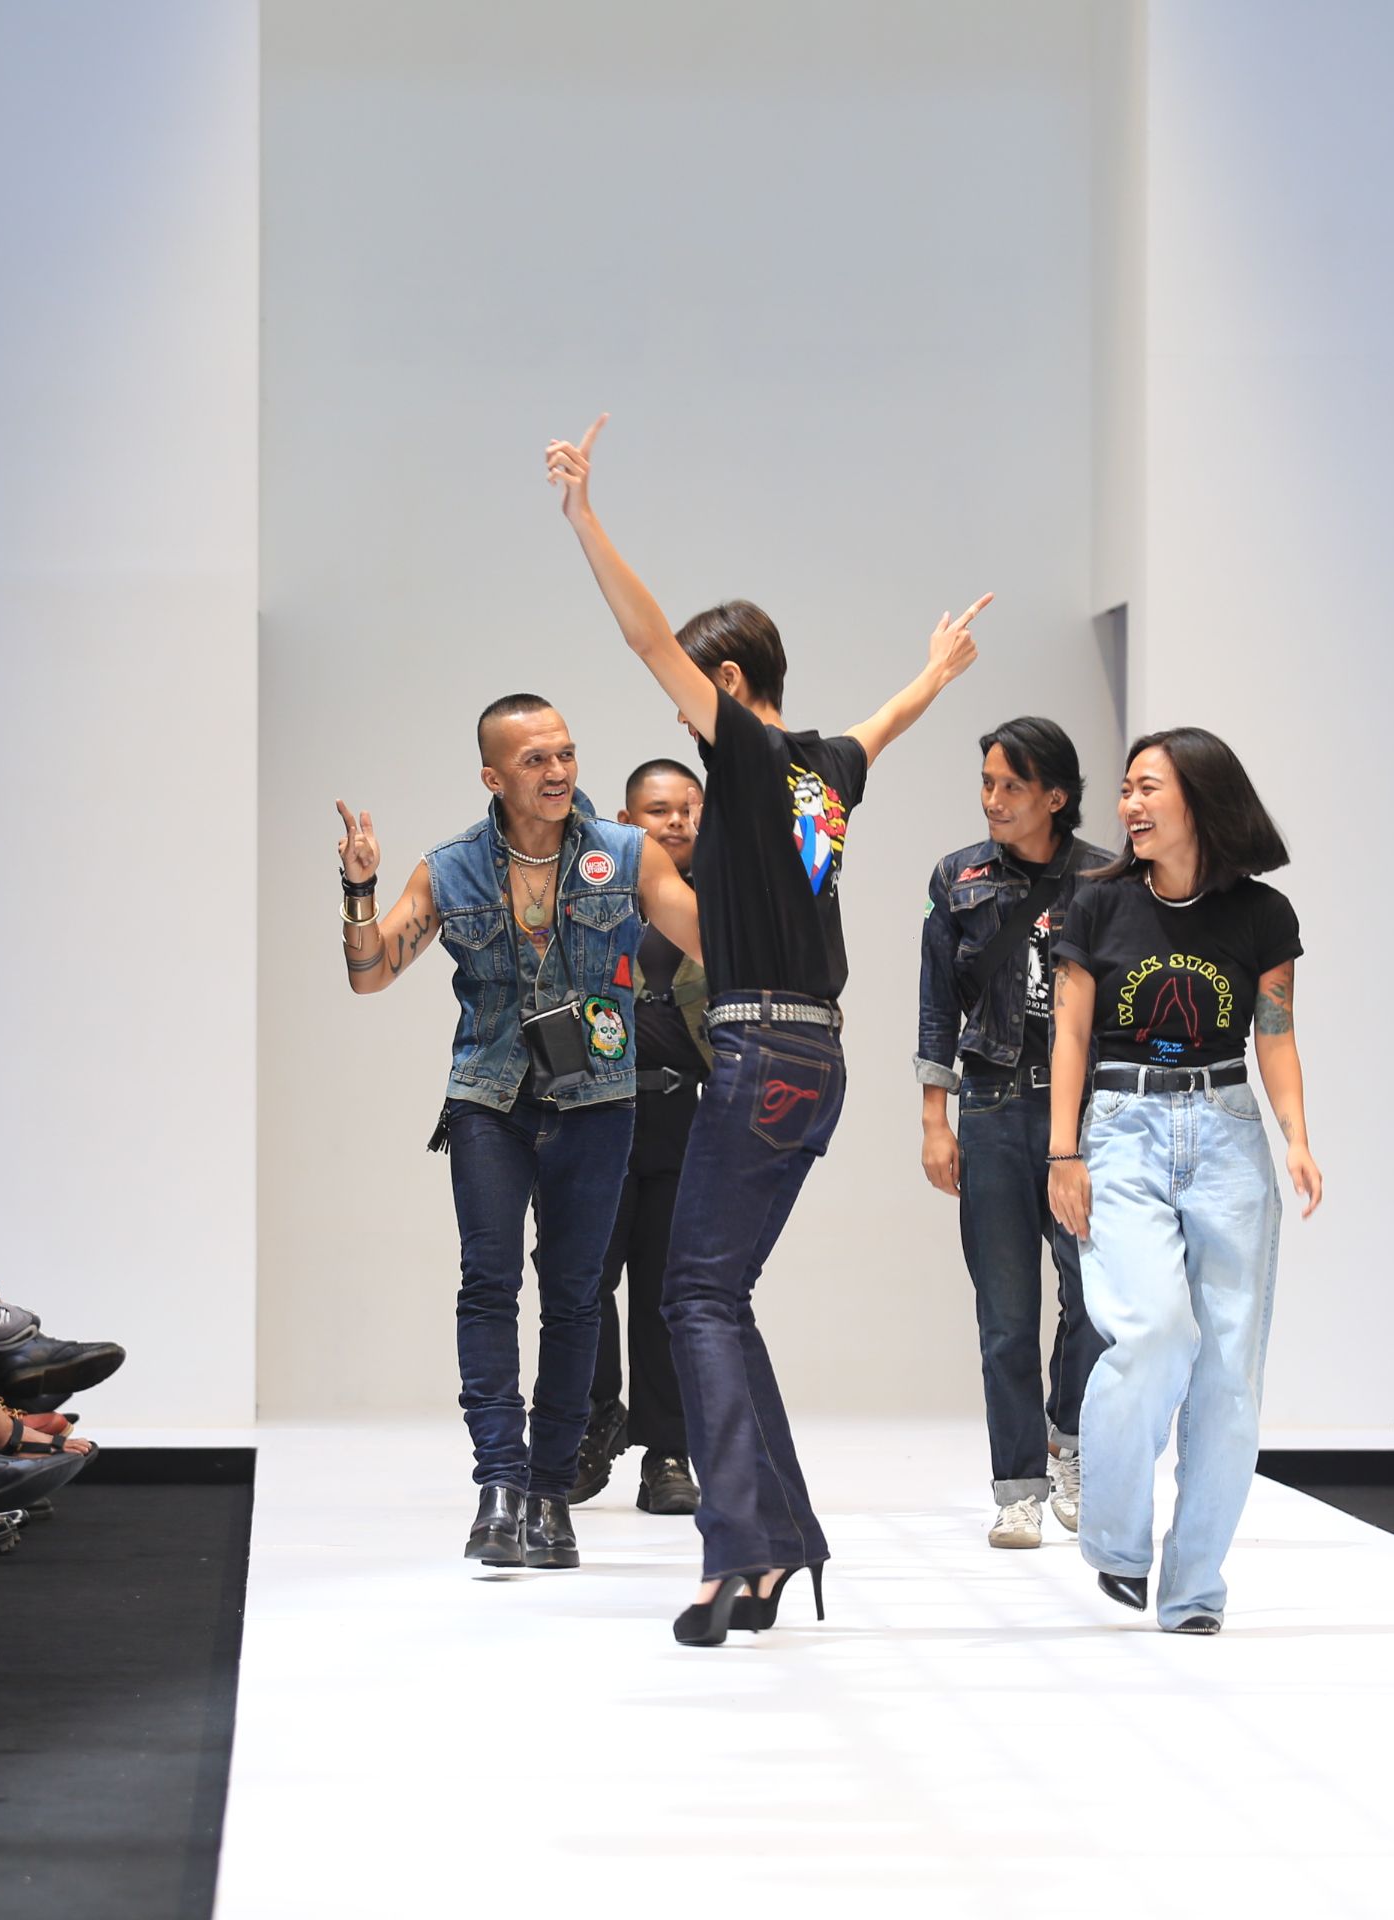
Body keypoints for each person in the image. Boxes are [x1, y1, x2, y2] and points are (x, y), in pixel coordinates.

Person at [545, 412, 985, 1644]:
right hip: (814, 1055)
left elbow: (645, 637)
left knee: (694, 1296)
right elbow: (886, 722)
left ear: (730, 686)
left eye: (698, 696)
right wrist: (937, 670)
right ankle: (782, 1541)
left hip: (751, 1052)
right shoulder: (824, 770)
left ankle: (739, 1550)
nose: (686, 717)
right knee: (716, 1296)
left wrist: (584, 516)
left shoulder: (745, 754)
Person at [336, 693, 700, 1571]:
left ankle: (548, 1493)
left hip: (598, 1100)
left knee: (574, 1298)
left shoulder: (626, 854)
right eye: (535, 759)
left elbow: (708, 935)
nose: (558, 771)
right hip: (489, 1099)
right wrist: (359, 890)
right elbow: (370, 974)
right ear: (493, 777)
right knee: (488, 1287)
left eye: (566, 753)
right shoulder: (452, 869)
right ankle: (498, 1485)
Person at [1045, 729, 1321, 1633]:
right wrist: (1063, 1154)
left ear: (1199, 798)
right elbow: (1070, 1036)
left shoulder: (1263, 914)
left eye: (1147, 788)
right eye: (1125, 788)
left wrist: (1297, 1139)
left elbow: (1274, 1033)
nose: (1129, 805)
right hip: (1121, 1126)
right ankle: (1118, 1541)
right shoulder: (1096, 903)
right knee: (1152, 1333)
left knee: (1230, 1376)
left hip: (1229, 1128)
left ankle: (1195, 1586)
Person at [916, 717, 1110, 1549]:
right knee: (1005, 1315)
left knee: (1095, 1301)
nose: (993, 800)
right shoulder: (957, 876)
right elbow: (936, 1001)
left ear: (1055, 797)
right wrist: (935, 1118)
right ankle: (1018, 1487)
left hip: (1088, 1116)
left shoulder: (1107, 878)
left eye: (1012, 787)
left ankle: (1071, 1442)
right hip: (992, 1107)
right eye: (987, 783)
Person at [574, 759, 711, 1517]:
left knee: (670, 1290)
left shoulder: (718, 903)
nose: (678, 822)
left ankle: (667, 1452)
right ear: (627, 823)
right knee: (581, 1281)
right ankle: (594, 1424)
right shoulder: (591, 899)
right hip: (595, 1116)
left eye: (689, 808)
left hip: (683, 1118)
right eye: (660, 810)